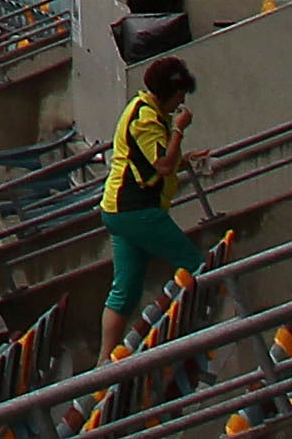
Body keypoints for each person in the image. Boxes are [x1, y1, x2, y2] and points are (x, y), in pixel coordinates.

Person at [99, 56, 203, 366]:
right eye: (180, 94)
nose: (182, 101)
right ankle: (196, 336)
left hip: (122, 210)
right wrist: (180, 132)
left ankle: (103, 362)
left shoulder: (150, 113)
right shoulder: (145, 118)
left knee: (126, 289)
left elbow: (151, 162)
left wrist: (187, 158)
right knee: (196, 265)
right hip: (135, 210)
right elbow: (162, 163)